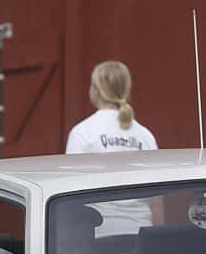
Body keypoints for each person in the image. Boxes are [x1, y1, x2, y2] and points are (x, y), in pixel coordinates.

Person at [65, 61, 158, 237]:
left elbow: (70, 194)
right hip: (142, 234)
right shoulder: (145, 135)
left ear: (96, 89)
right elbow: (157, 201)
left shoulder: (83, 132)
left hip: (97, 235)